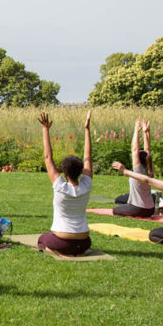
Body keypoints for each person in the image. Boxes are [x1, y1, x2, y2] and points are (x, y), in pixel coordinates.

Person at [37, 110, 93, 257]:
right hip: (84, 241)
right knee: (80, 245)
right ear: (81, 171)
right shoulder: (86, 185)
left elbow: (48, 157)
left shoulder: (60, 186)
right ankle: (76, 252)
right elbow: (88, 157)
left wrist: (45, 130)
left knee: (42, 239)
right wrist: (87, 129)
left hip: (62, 241)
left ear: (64, 172)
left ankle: (59, 253)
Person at [113, 119, 154, 217]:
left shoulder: (138, 170)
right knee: (119, 199)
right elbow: (148, 150)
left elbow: (134, 149)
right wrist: (146, 132)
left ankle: (130, 209)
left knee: (115, 210)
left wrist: (136, 131)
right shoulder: (150, 168)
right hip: (151, 209)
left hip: (140, 209)